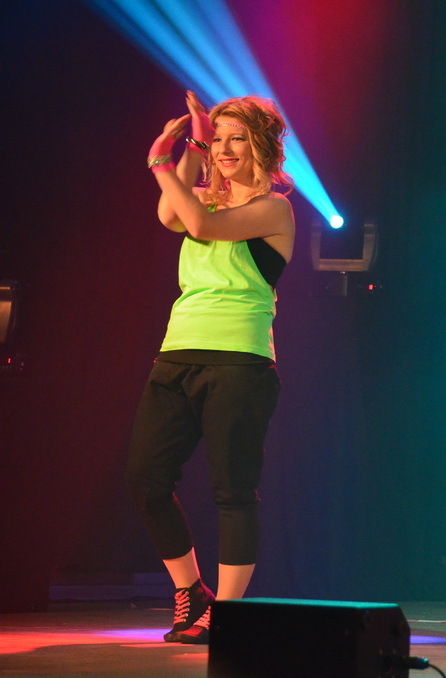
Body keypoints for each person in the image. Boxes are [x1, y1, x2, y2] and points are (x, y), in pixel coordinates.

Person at [125, 91, 295, 645]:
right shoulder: (200, 196)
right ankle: (190, 591)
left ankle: (228, 612)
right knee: (147, 479)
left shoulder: (274, 209)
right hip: (178, 352)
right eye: (217, 138)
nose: (224, 149)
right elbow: (172, 213)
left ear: (261, 146)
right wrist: (191, 149)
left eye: (236, 138)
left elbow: (196, 223)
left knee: (233, 492)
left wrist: (160, 161)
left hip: (240, 359)